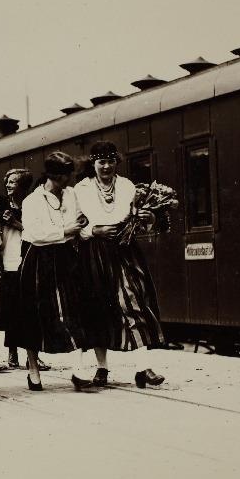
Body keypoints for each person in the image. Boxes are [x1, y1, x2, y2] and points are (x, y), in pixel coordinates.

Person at [74, 141, 166, 388]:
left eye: (111, 161)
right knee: (97, 308)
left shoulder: (127, 186)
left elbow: (139, 219)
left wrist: (148, 218)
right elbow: (76, 224)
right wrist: (94, 230)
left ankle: (142, 367)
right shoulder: (81, 189)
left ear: (117, 162)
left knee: (133, 302)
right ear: (92, 163)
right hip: (94, 252)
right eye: (101, 161)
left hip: (124, 250)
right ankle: (102, 368)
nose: (106, 166)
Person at [8, 152, 93, 391]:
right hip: (38, 260)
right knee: (34, 315)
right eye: (65, 176)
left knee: (74, 310)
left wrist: (83, 228)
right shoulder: (32, 201)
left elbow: (79, 223)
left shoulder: (71, 194)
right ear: (55, 176)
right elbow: (36, 235)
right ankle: (33, 371)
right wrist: (67, 230)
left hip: (65, 257)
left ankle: (78, 369)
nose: (68, 181)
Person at [0, 168, 34, 371]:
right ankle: (12, 352)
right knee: (12, 309)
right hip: (8, 260)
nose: (8, 185)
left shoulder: (32, 205)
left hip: (29, 259)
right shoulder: (1, 205)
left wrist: (15, 222)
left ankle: (32, 355)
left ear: (23, 185)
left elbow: (36, 231)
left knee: (30, 309)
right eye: (7, 181)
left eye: (13, 182)